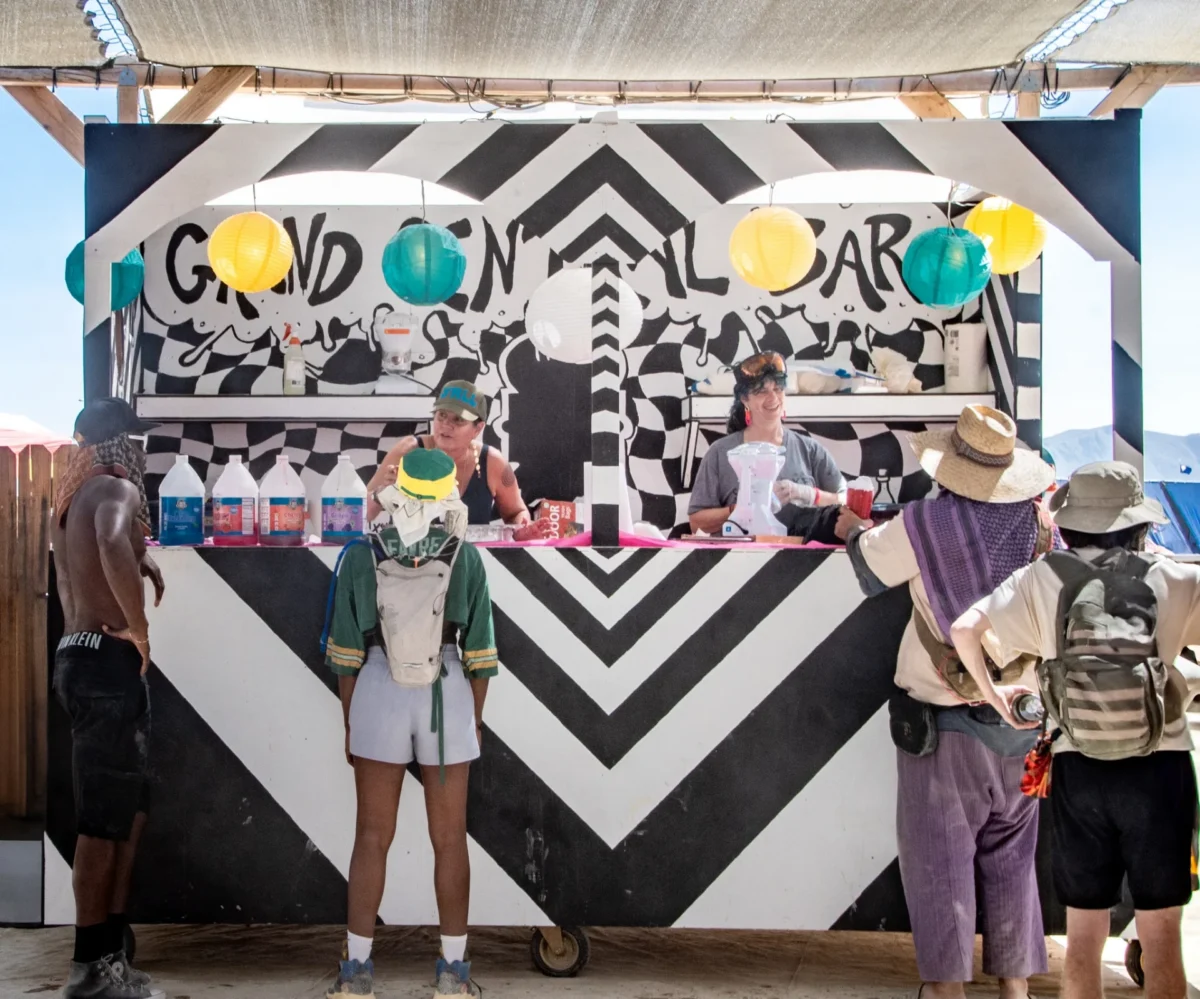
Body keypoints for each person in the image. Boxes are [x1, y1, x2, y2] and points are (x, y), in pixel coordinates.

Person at [952, 461, 1200, 999]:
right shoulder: (1177, 576)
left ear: (1071, 522)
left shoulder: (1041, 577)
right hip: (1161, 769)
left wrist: (995, 698)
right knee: (1162, 936)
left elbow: (964, 629)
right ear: (1138, 522)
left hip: (1077, 765)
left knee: (1085, 934)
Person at [834, 405, 1056, 999]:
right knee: (1013, 858)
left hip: (944, 722)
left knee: (941, 863)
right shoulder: (1036, 525)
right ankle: (1015, 987)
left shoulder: (926, 523)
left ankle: (946, 991)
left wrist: (848, 526)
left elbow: (868, 565)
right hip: (1022, 721)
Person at [325, 448, 498, 998]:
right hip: (446, 693)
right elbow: (481, 655)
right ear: (450, 492)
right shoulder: (466, 556)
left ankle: (356, 972)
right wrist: (475, 717)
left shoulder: (360, 552)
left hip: (378, 687)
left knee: (371, 836)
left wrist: (351, 719)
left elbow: (345, 652)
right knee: (449, 840)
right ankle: (453, 972)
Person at [52, 398, 166, 999]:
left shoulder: (70, 499)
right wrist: (139, 628)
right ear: (122, 443)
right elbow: (111, 540)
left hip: (76, 655)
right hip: (106, 662)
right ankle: (90, 968)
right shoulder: (115, 488)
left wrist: (138, 566)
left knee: (124, 812)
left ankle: (110, 954)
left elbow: (94, 558)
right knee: (103, 824)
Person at [367, 379, 550, 538]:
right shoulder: (408, 451)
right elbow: (360, 513)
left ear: (478, 429)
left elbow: (516, 512)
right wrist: (383, 492)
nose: (446, 425)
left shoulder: (492, 461)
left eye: (458, 420)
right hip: (407, 567)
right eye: (442, 416)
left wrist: (524, 528)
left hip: (469, 567)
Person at [687, 351, 844, 536]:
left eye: (778, 389)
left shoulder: (809, 450)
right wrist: (741, 509)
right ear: (745, 399)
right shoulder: (720, 453)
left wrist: (806, 494)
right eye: (762, 391)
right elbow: (696, 524)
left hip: (804, 561)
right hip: (738, 560)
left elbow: (847, 501)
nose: (773, 398)